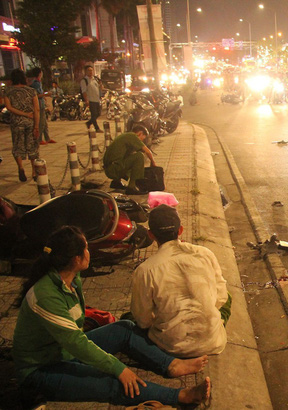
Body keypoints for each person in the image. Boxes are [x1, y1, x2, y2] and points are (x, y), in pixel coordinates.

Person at [12, 226, 211, 407]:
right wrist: (118, 368)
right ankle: (180, 396)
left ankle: (171, 365)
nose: (89, 253)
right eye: (87, 249)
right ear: (76, 259)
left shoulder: (71, 279)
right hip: (40, 370)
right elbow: (76, 342)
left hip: (64, 352)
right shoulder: (46, 295)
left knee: (123, 328)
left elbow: (76, 336)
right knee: (114, 381)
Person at [131, 205, 231, 357]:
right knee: (228, 296)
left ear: (151, 235)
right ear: (180, 230)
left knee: (129, 319)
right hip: (213, 343)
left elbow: (143, 320)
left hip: (171, 347)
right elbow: (221, 297)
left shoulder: (145, 270)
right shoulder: (204, 254)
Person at [5, 68, 39, 182]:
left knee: (17, 146)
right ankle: (34, 172)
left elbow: (9, 108)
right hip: (30, 122)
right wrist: (36, 126)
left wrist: (21, 114)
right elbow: (37, 109)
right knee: (32, 146)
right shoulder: (31, 91)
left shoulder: (8, 91)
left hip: (16, 123)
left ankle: (20, 167)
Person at [103, 126, 156, 195]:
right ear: (140, 134)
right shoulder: (132, 136)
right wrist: (153, 162)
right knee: (139, 156)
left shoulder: (126, 136)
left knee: (131, 157)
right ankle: (132, 187)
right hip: (113, 169)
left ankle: (116, 182)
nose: (141, 141)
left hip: (109, 168)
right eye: (142, 139)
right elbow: (147, 151)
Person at [29, 68, 54, 145]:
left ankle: (47, 138)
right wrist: (45, 95)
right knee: (41, 122)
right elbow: (36, 95)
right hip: (38, 104)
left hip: (42, 103)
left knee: (45, 122)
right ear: (39, 73)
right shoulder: (35, 83)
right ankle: (39, 139)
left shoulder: (38, 83)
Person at [81, 65, 102, 132]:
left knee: (98, 113)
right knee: (94, 114)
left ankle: (89, 123)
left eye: (91, 70)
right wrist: (86, 100)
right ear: (86, 72)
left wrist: (101, 85)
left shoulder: (95, 79)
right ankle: (97, 128)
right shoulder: (84, 81)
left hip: (97, 99)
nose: (90, 72)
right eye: (89, 70)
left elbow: (99, 87)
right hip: (91, 100)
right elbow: (84, 91)